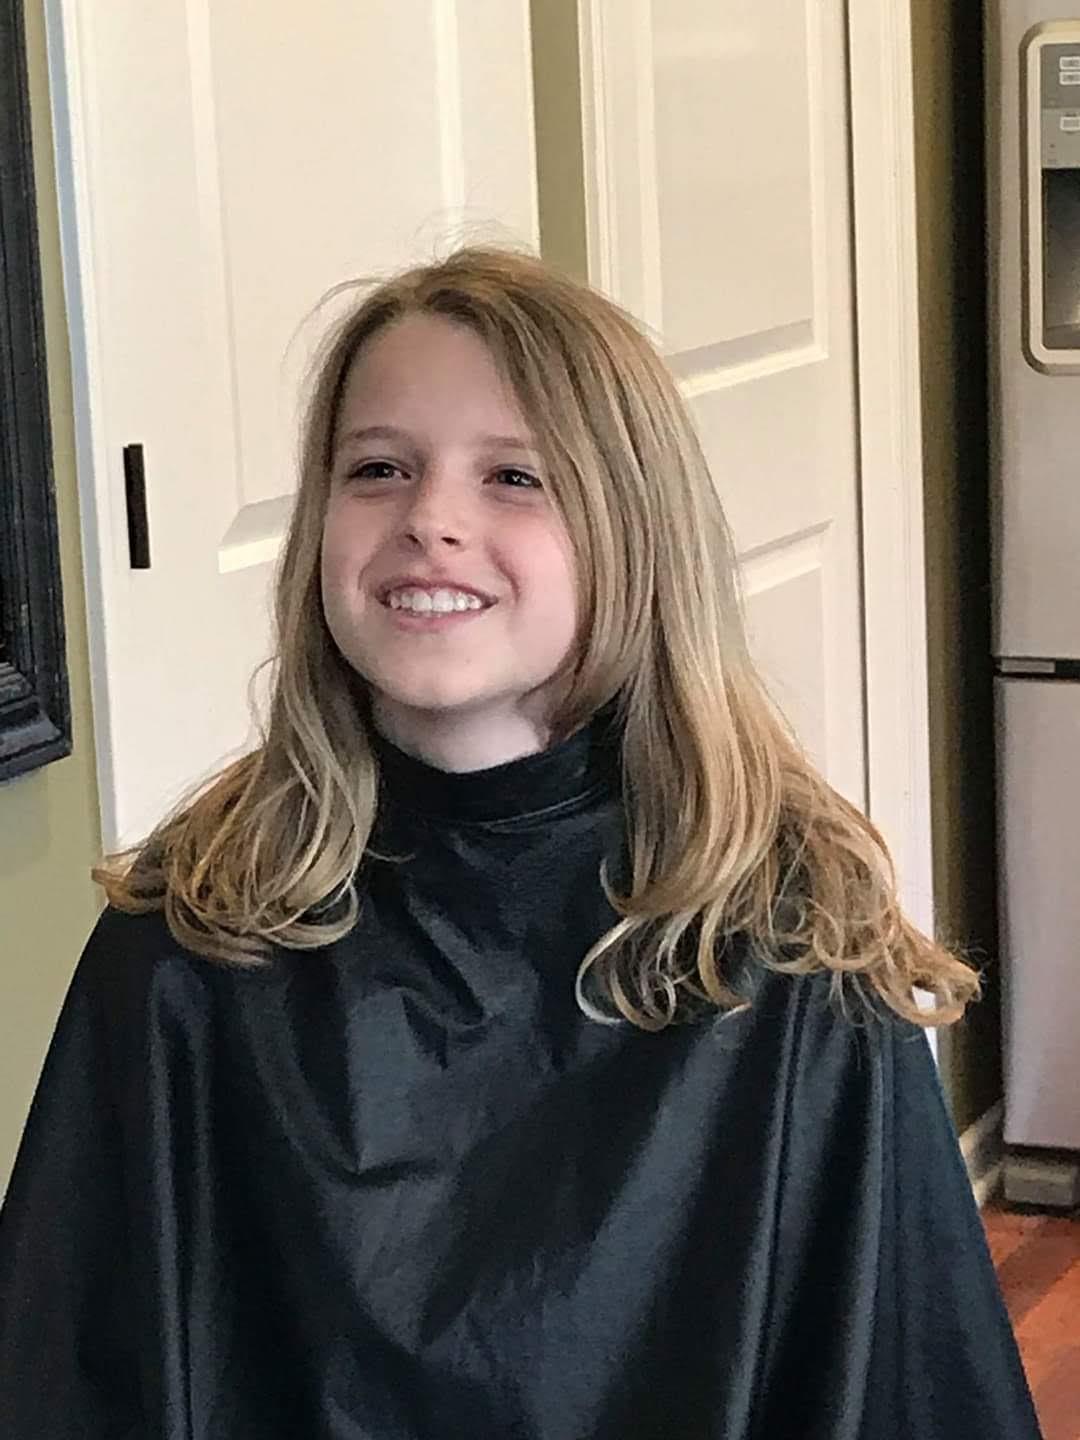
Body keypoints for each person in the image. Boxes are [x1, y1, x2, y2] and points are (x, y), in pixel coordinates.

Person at [0, 246, 1041, 1439]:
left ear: (634, 534)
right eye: (378, 468)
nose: (431, 522)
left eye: (514, 477)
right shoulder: (196, 937)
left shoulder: (789, 951)